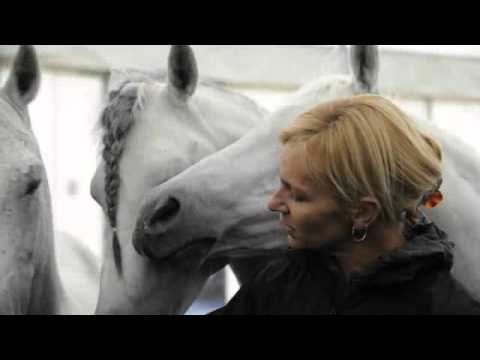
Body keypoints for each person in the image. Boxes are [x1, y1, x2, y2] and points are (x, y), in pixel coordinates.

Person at [211, 94, 480, 315]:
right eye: (282, 185)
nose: (274, 203)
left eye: (298, 196)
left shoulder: (444, 308)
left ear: (363, 213)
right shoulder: (283, 281)